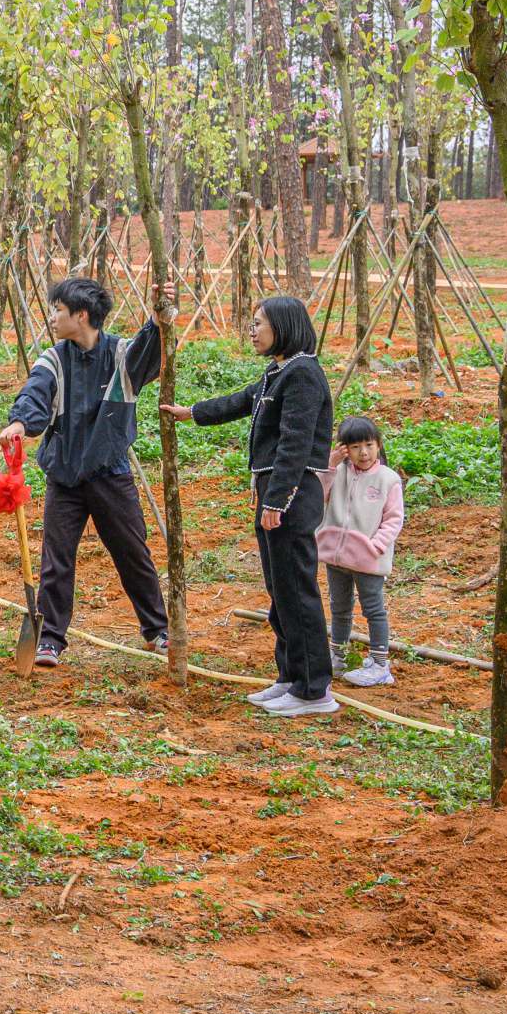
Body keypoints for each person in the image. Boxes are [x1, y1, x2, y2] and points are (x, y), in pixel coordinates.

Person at [162, 295, 336, 718]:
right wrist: (192, 413)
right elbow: (241, 402)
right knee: (280, 590)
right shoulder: (278, 372)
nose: (252, 330)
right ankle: (290, 677)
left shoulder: (303, 376)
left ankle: (315, 690)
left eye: (259, 323)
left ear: (284, 326)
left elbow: (295, 443)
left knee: (297, 590)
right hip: (274, 490)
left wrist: (278, 498)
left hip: (292, 493)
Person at [0, 277, 169, 667]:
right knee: (56, 559)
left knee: (132, 553)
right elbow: (35, 393)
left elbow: (151, 348)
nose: (53, 317)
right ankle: (51, 638)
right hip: (65, 476)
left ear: (82, 315)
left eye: (59, 310)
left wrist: (159, 318)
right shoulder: (54, 360)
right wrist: (21, 423)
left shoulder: (122, 355)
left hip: (111, 473)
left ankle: (157, 629)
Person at [319, 416, 405, 689]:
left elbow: (393, 519)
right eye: (355, 447)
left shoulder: (387, 479)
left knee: (373, 609)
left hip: (368, 559)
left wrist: (376, 546)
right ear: (344, 449)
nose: (363, 453)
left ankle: (380, 663)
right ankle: (338, 655)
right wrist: (330, 465)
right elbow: (318, 494)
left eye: (369, 445)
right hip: (336, 556)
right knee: (339, 608)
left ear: (379, 445)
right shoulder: (339, 472)